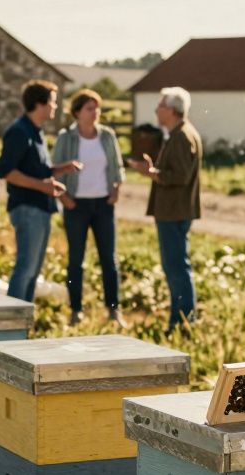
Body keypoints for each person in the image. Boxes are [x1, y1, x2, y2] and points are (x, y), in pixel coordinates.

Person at [129, 86, 202, 333]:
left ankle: (181, 323)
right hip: (175, 210)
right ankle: (181, 320)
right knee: (176, 266)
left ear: (171, 110)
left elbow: (179, 176)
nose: (156, 110)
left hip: (174, 211)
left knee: (176, 268)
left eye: (159, 106)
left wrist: (151, 173)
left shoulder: (181, 136)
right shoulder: (180, 133)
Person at [0, 79, 74, 302]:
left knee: (33, 272)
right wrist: (44, 186)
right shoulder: (19, 132)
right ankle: (11, 323)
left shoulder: (35, 132)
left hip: (40, 208)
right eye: (53, 102)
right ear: (40, 104)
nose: (55, 107)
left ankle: (22, 323)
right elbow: (6, 171)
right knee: (25, 269)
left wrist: (59, 170)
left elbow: (35, 169)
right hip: (27, 209)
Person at [52, 89, 126, 326]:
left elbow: (117, 167)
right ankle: (75, 310)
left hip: (103, 204)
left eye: (97, 108)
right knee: (76, 259)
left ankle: (114, 309)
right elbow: (55, 170)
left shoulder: (107, 136)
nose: (95, 113)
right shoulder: (66, 138)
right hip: (76, 205)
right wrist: (65, 199)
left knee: (109, 258)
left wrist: (116, 189)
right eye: (89, 109)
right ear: (77, 112)